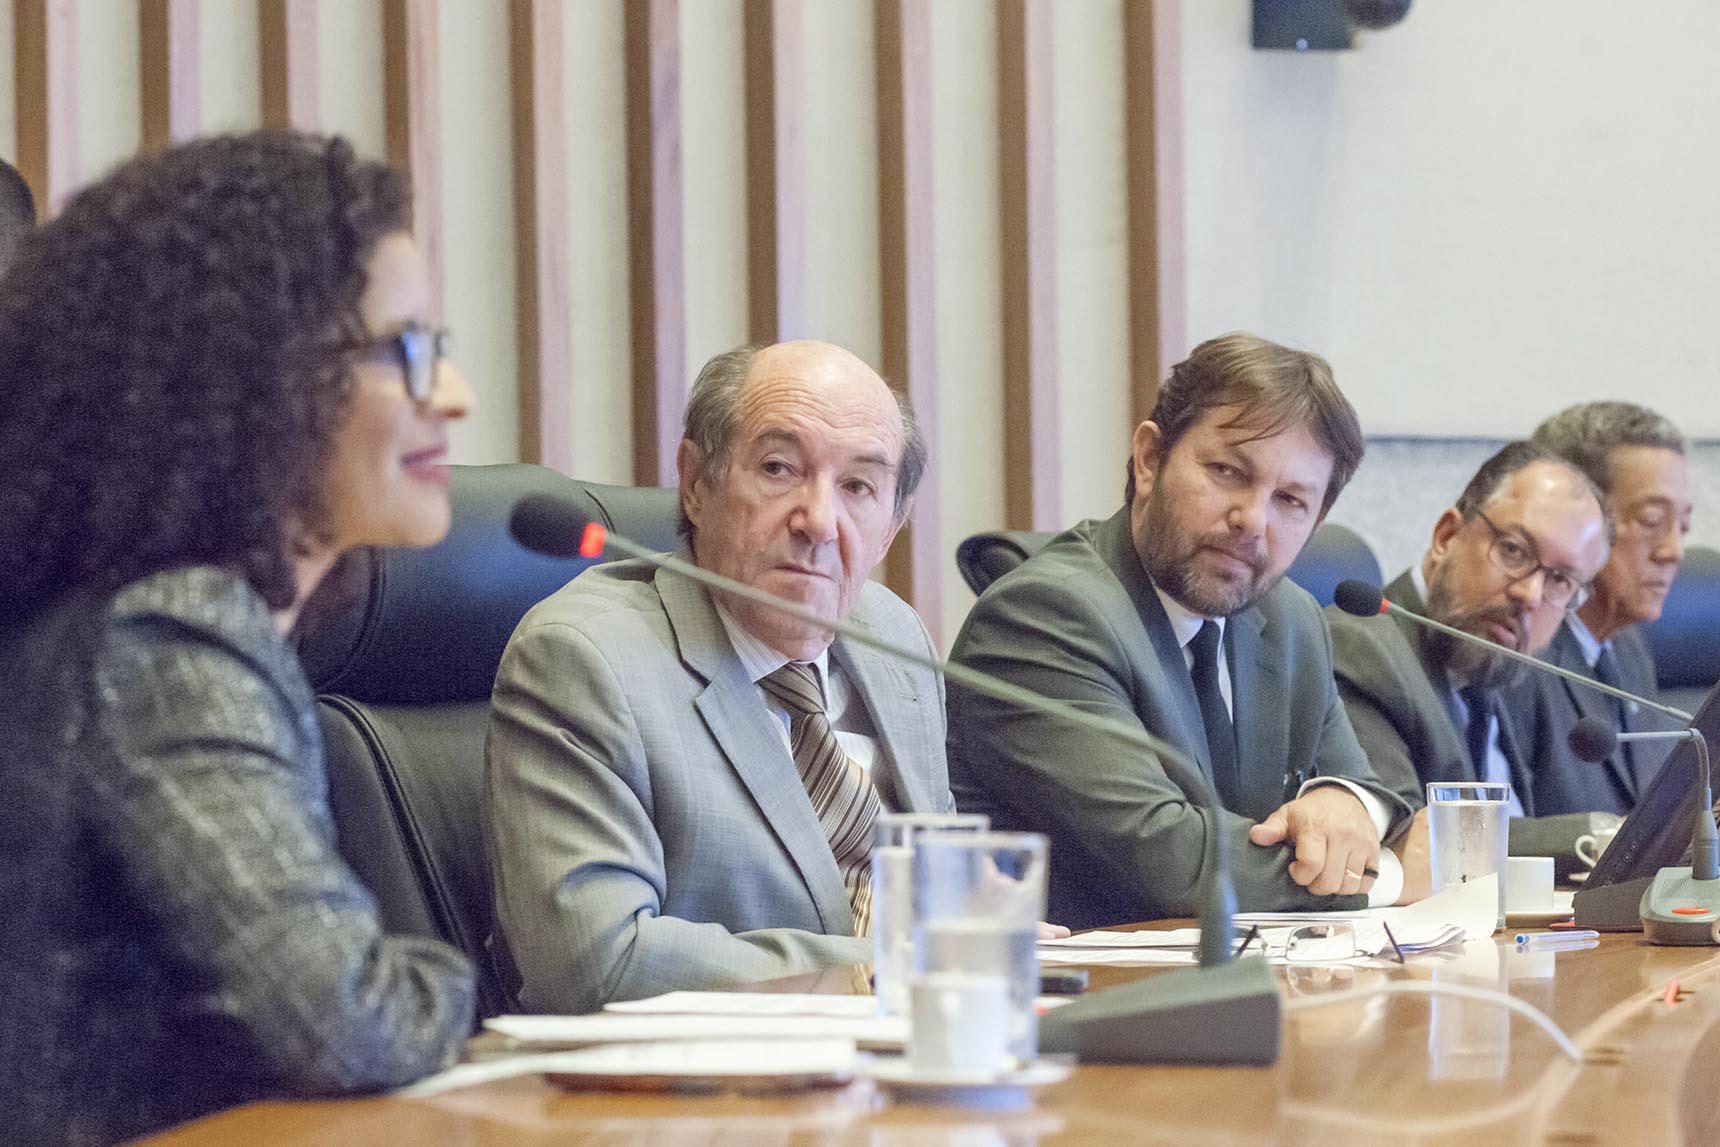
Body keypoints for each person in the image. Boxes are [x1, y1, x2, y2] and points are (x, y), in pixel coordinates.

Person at [0, 132, 477, 1145]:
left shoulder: (158, 620)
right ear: (261, 379)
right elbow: (349, 1021)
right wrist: (461, 975)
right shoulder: (169, 638)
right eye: (403, 350)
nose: (453, 394)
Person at [486, 339, 955, 1014]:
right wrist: (877, 967)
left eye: (858, 487)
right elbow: (595, 963)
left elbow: (939, 902)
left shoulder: (894, 638)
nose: (819, 521)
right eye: (779, 468)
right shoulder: (585, 660)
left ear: (892, 526)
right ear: (697, 483)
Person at [946, 332, 1426, 931]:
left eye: (1290, 501)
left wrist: (1344, 802)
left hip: (1245, 974)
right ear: (1150, 459)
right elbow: (1166, 860)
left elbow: (1371, 791)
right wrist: (1391, 875)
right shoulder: (1041, 616)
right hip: (1087, 982)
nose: (1252, 520)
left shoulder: (1291, 618)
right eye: (1227, 472)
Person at [1326, 442, 1617, 872]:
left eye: (1560, 580)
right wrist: (1600, 836)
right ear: (1446, 537)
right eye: (1514, 551)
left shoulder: (1490, 663)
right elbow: (1406, 836)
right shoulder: (1362, 648)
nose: (1529, 594)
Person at [1510, 403, 1693, 814]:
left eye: (1682, 526)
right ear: (1574, 521)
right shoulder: (1517, 657)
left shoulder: (1628, 648)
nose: (1674, 550)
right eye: (1651, 520)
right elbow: (1498, 832)